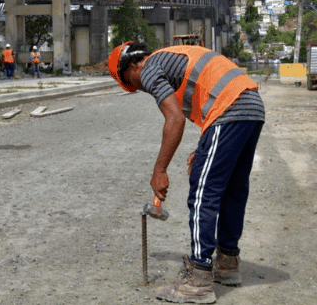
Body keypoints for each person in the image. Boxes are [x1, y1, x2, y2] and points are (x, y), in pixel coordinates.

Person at [108, 41, 265, 304]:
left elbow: (175, 118)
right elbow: (211, 91)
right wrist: (204, 145)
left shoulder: (149, 67)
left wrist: (160, 170)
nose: (139, 87)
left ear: (133, 66)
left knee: (203, 191)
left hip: (230, 107)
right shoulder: (173, 57)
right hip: (251, 106)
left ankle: (199, 279)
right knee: (233, 188)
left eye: (130, 82)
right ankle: (227, 263)